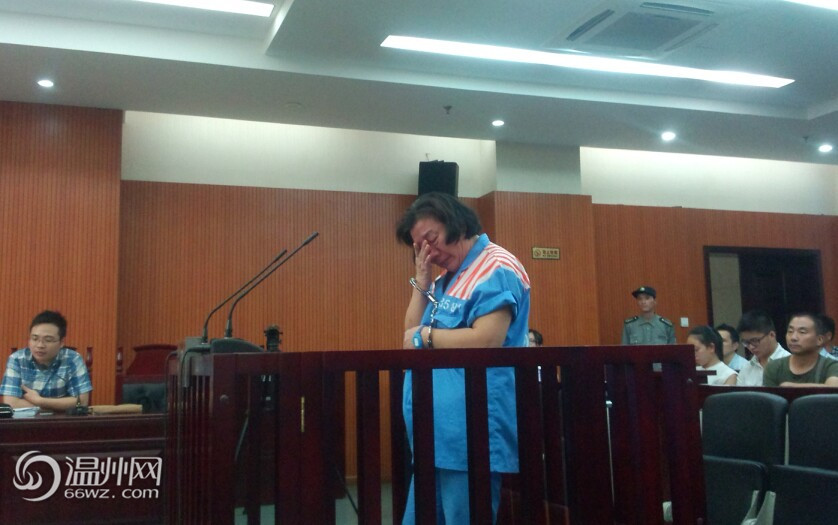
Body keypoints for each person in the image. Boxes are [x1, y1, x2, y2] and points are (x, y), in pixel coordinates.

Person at [397, 192, 530, 525]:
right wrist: (421, 282)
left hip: (469, 432)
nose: (430, 252)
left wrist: (426, 337)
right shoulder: (446, 279)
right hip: (434, 435)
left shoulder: (495, 266)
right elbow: (409, 334)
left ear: (455, 223)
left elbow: (487, 340)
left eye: (432, 239)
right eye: (420, 247)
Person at [0, 310, 93, 410]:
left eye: (48, 340)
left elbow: (82, 402)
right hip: (27, 419)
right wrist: (58, 405)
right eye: (34, 339)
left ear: (61, 342)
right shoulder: (17, 359)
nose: (40, 345)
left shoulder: (72, 359)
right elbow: (11, 403)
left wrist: (40, 401)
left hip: (62, 419)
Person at [763, 313, 838, 387]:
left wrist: (790, 387)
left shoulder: (831, 366)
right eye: (790, 331)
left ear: (819, 340)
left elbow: (833, 389)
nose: (793, 338)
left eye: (802, 332)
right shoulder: (774, 367)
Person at [736, 310, 790, 386]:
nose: (751, 347)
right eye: (746, 342)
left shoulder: (789, 363)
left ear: (772, 335)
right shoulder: (746, 368)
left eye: (755, 340)